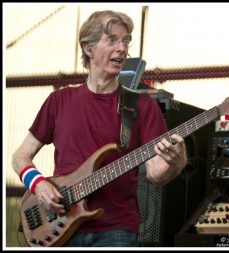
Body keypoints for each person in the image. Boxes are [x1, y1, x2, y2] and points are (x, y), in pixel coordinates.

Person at [12, 10, 187, 247]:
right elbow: (20, 156)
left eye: (126, 41)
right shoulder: (59, 101)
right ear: (88, 48)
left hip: (117, 230)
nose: (122, 48)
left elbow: (155, 174)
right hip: (61, 225)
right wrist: (38, 184)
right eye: (112, 40)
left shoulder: (141, 105)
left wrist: (176, 162)